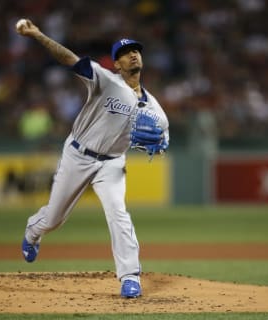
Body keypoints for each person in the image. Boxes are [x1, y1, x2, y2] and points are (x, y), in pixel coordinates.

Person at [16, 19, 169, 298]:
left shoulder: (155, 108)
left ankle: (130, 276)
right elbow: (68, 58)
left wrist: (158, 144)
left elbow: (160, 141)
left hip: (111, 163)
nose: (133, 54)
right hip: (78, 154)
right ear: (117, 64)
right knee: (54, 218)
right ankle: (32, 231)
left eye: (136, 50)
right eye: (125, 53)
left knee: (118, 213)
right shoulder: (104, 79)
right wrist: (38, 34)